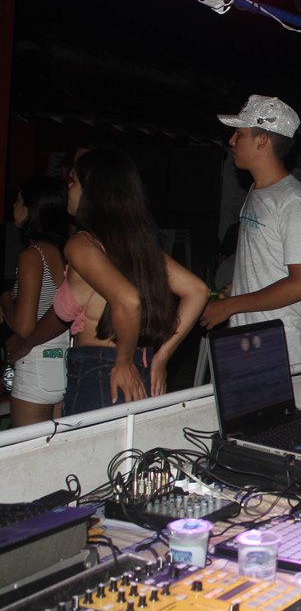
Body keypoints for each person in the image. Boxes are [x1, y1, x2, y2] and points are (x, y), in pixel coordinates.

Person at [54, 148, 208, 414]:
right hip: (142, 369)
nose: (68, 188)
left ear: (93, 191)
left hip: (103, 373)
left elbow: (128, 300)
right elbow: (197, 290)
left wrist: (124, 362)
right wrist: (162, 356)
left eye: (73, 181)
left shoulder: (81, 244)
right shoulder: (138, 247)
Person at [200, 95, 301, 365]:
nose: (231, 141)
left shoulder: (293, 201)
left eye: (239, 134)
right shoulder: (257, 190)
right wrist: (231, 290)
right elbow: (266, 265)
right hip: (248, 338)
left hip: (278, 345)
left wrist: (230, 306)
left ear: (262, 141)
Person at [0, 176, 71, 426]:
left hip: (35, 363)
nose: (14, 205)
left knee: (27, 447)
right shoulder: (63, 251)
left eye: (19, 200)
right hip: (59, 359)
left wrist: (5, 301)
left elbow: (24, 327)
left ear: (33, 208)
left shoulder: (33, 255)